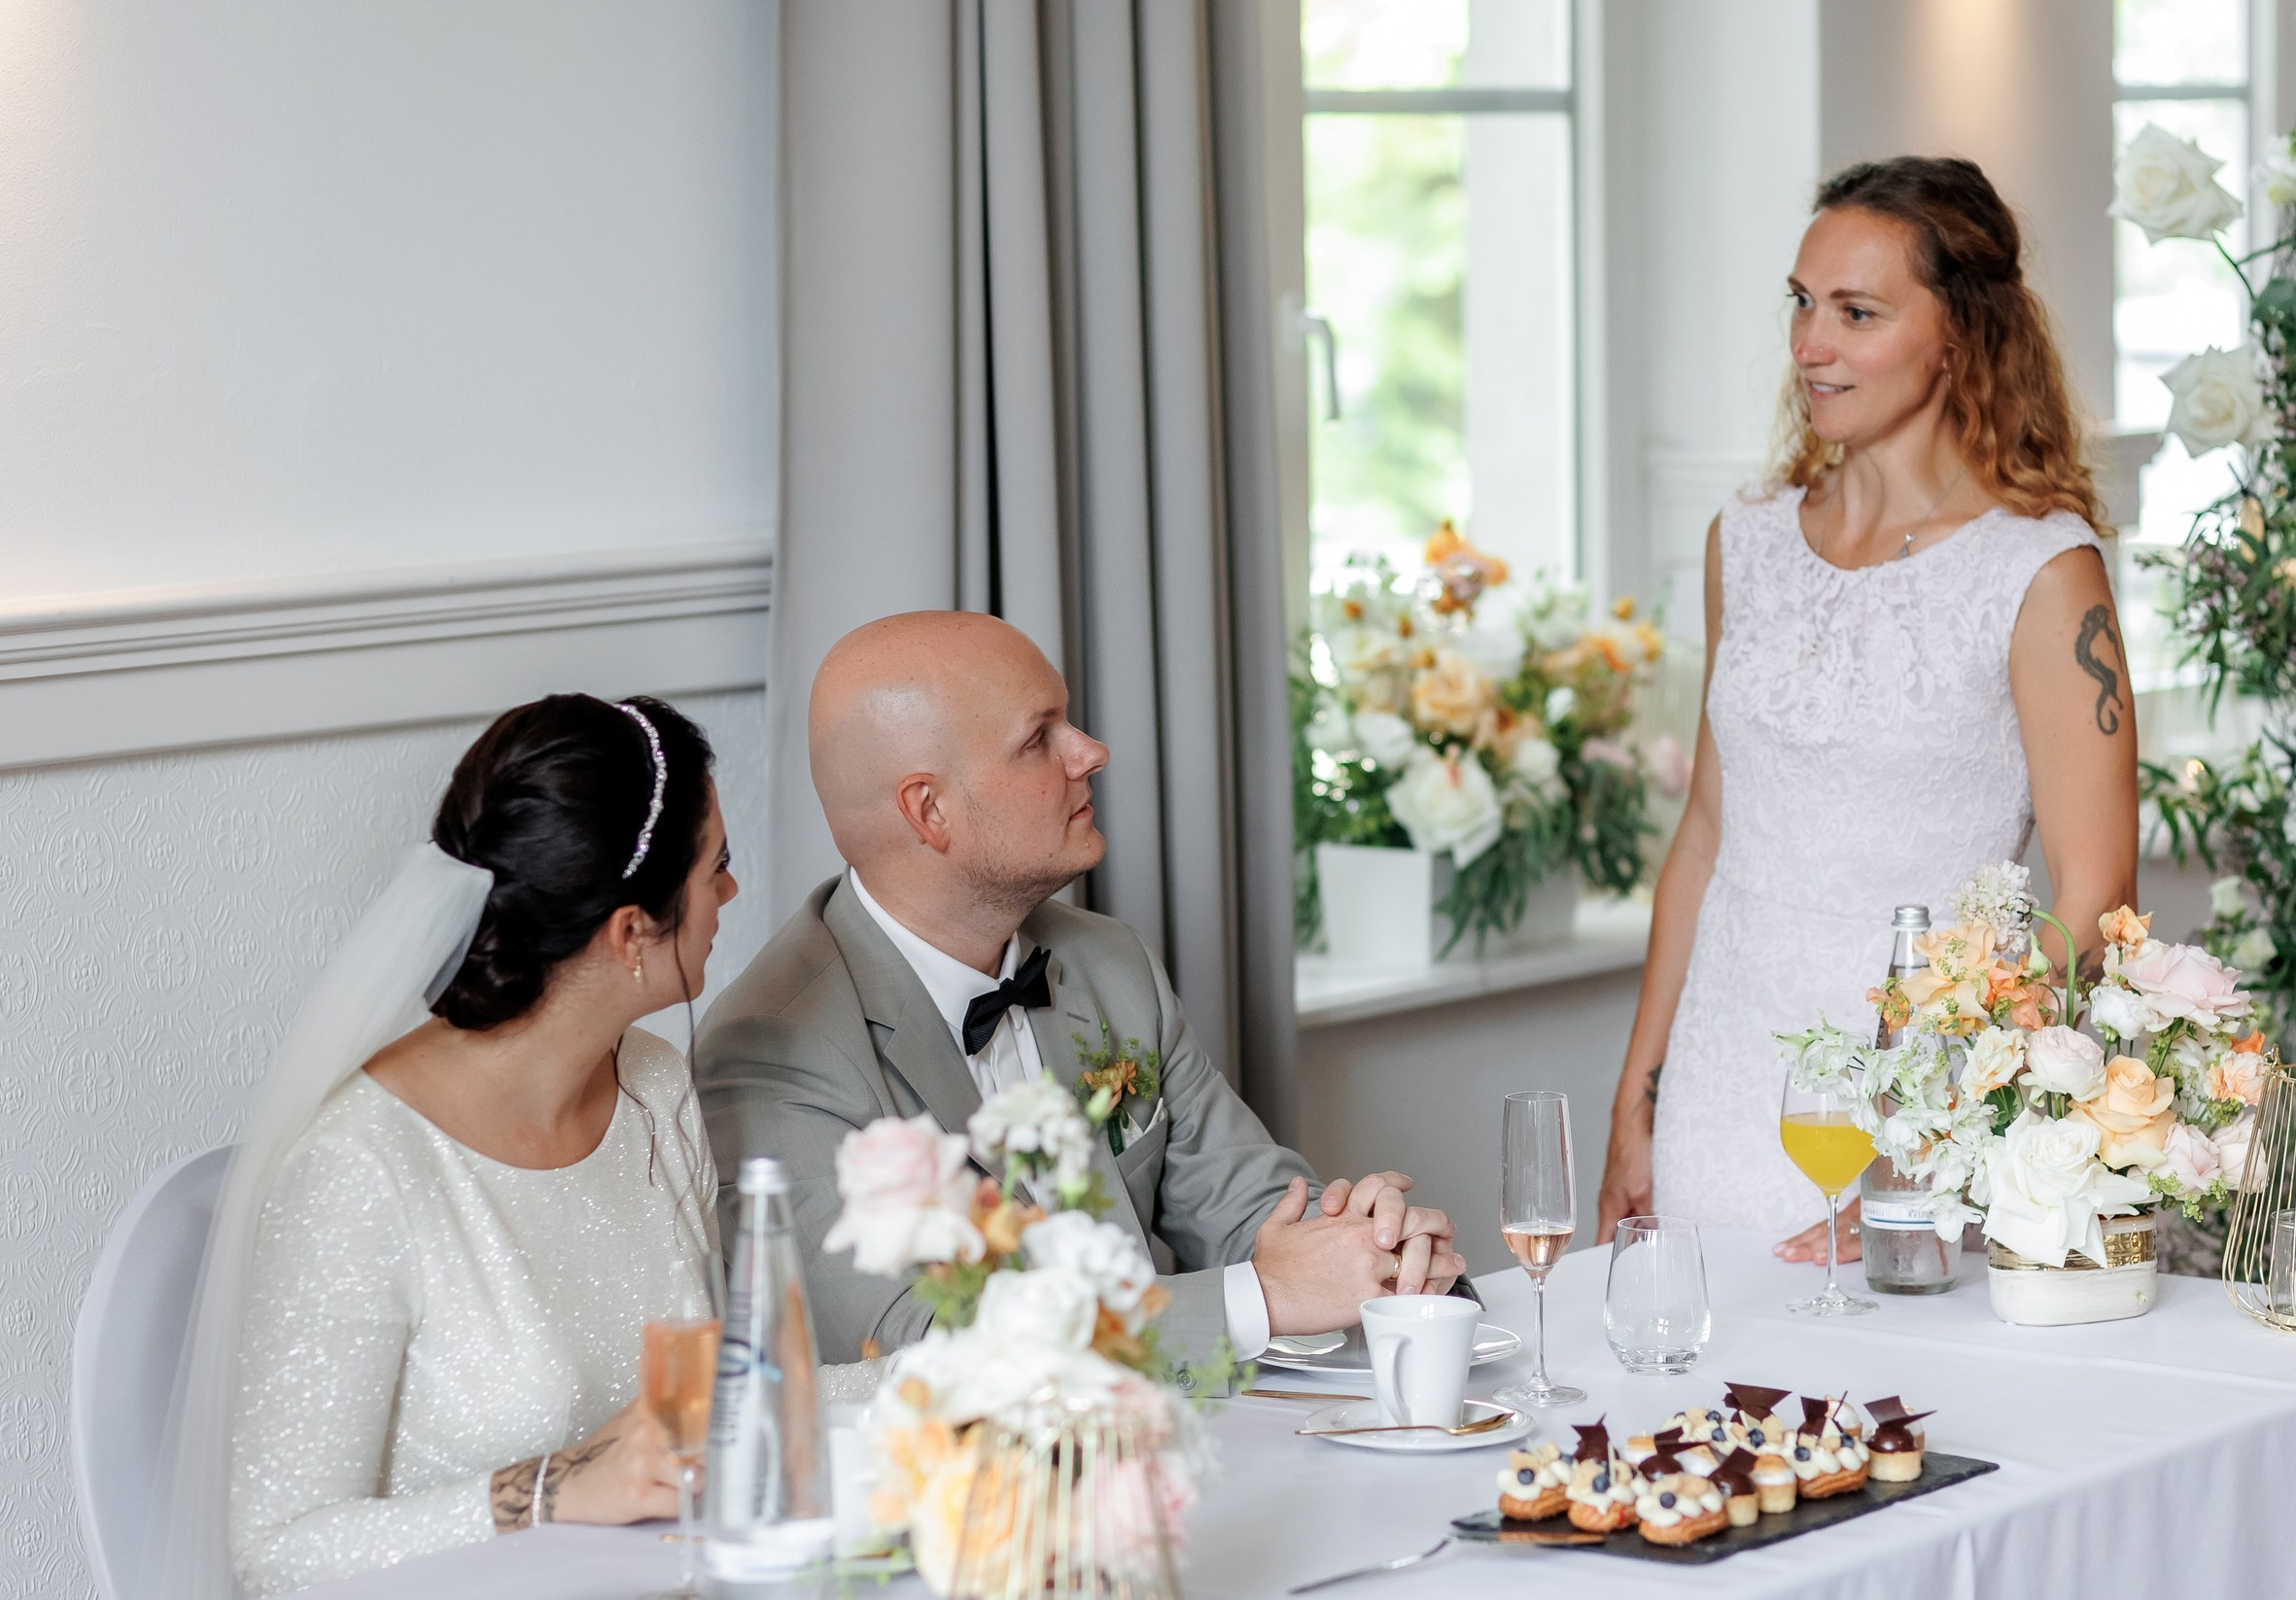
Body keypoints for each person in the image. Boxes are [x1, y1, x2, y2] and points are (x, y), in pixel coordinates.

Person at [1594, 157, 2139, 1263]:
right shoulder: (1742, 540)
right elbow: (1705, 834)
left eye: (1856, 312)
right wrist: (1636, 1099)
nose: (1808, 345)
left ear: (1960, 333)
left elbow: (2095, 898)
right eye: (1800, 303)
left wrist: (1919, 1166)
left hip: (1917, 1112)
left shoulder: (2040, 573)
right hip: (1722, 1084)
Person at [697, 611, 1463, 1372]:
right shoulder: (772, 1054)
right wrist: (1260, 1298)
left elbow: (1255, 1211)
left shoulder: (1108, 960)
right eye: (1039, 739)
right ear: (928, 810)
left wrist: (1371, 1243)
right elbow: (918, 1349)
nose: (1091, 752)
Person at [159, 695, 738, 1598]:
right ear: (631, 934)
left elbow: (722, 1396)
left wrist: (964, 1364)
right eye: (718, 869)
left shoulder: (655, 1085)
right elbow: (278, 1553)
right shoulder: (363, 1168)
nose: (731, 895)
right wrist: (547, 1492)